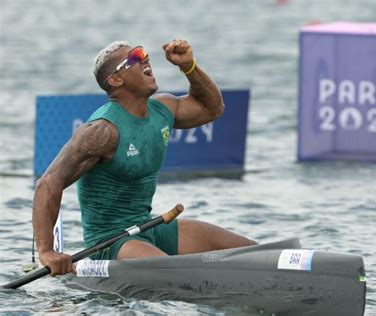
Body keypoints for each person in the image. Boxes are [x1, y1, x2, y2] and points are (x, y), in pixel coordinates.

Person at [32, 39, 256, 276]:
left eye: (143, 53)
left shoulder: (164, 108)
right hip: (111, 243)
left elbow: (213, 108)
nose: (145, 58)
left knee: (250, 253)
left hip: (151, 227)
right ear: (116, 80)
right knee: (179, 276)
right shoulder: (101, 131)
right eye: (135, 57)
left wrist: (189, 67)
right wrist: (47, 251)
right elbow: (48, 183)